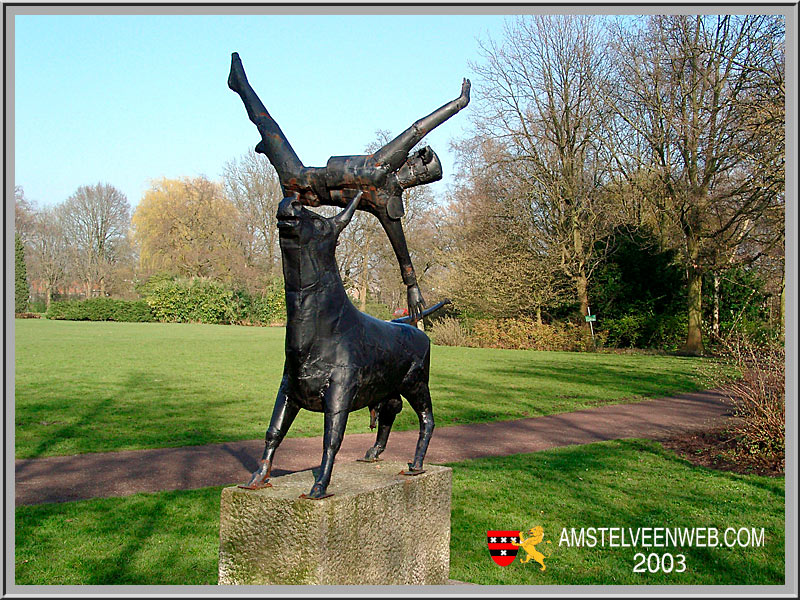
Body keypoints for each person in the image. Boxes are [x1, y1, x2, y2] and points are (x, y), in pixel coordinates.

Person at [228, 52, 470, 323]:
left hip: (300, 184)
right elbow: (418, 131)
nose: (412, 161)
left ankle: (242, 88)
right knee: (268, 131)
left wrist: (458, 104)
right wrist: (411, 285)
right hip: (304, 188)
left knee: (267, 126)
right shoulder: (386, 190)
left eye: (416, 162)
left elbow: (418, 130)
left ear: (416, 170)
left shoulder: (385, 180)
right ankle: (255, 118)